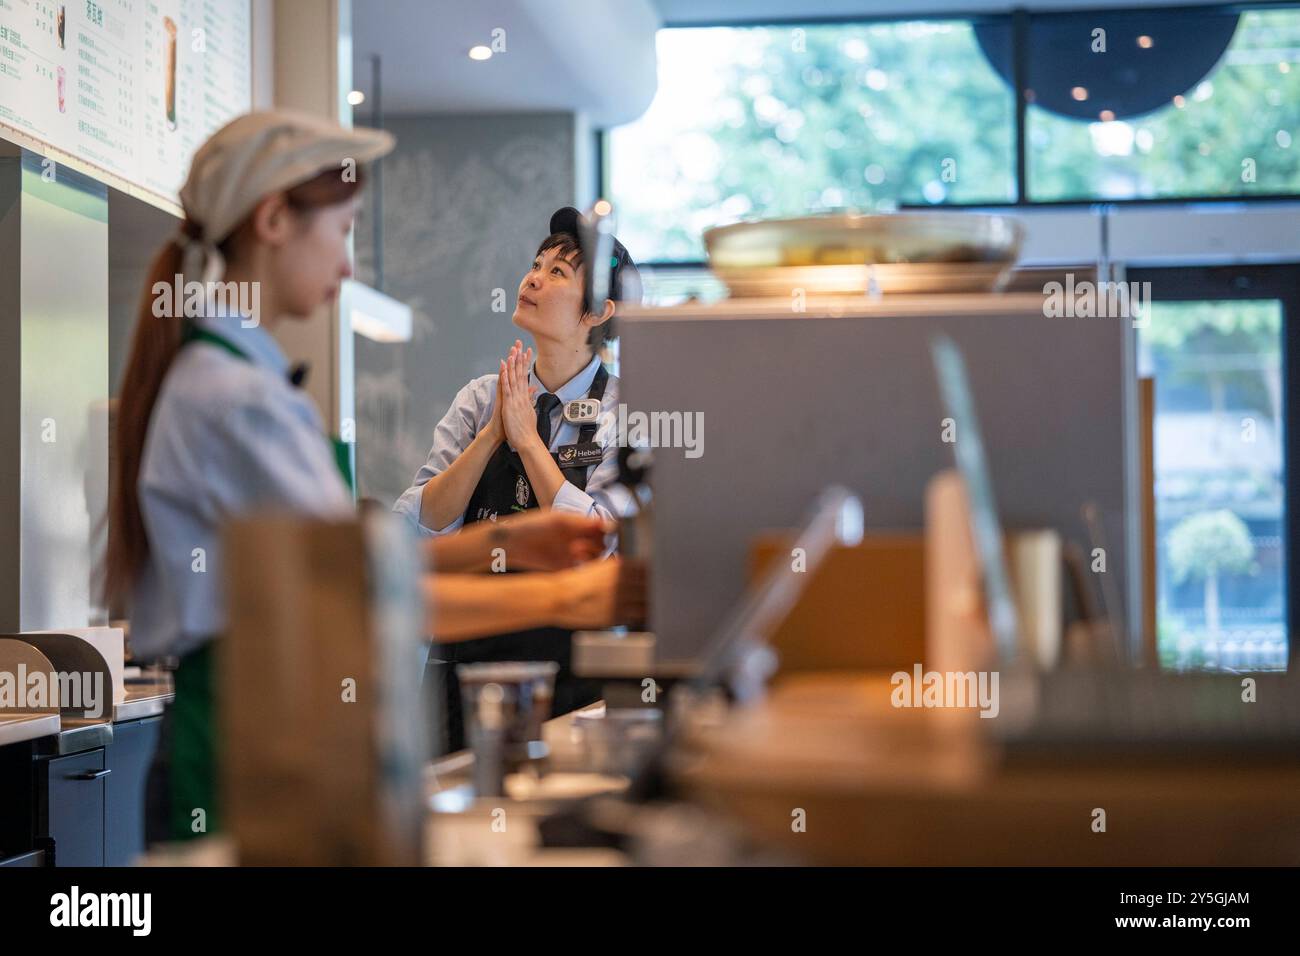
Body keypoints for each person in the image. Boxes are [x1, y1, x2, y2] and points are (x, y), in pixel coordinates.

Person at [104, 113, 633, 839]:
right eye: (345, 230)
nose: (350, 265)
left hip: (260, 724)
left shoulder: (232, 377)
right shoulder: (237, 399)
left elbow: (361, 562)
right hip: (236, 746)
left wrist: (511, 546)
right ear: (274, 221)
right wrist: (568, 589)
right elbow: (359, 590)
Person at [393, 207, 643, 749]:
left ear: (598, 311)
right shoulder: (480, 398)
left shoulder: (628, 411)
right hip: (462, 675)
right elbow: (417, 529)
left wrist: (528, 442)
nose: (532, 278)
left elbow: (600, 544)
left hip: (576, 684)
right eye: (536, 265)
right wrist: (491, 435)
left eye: (558, 273)